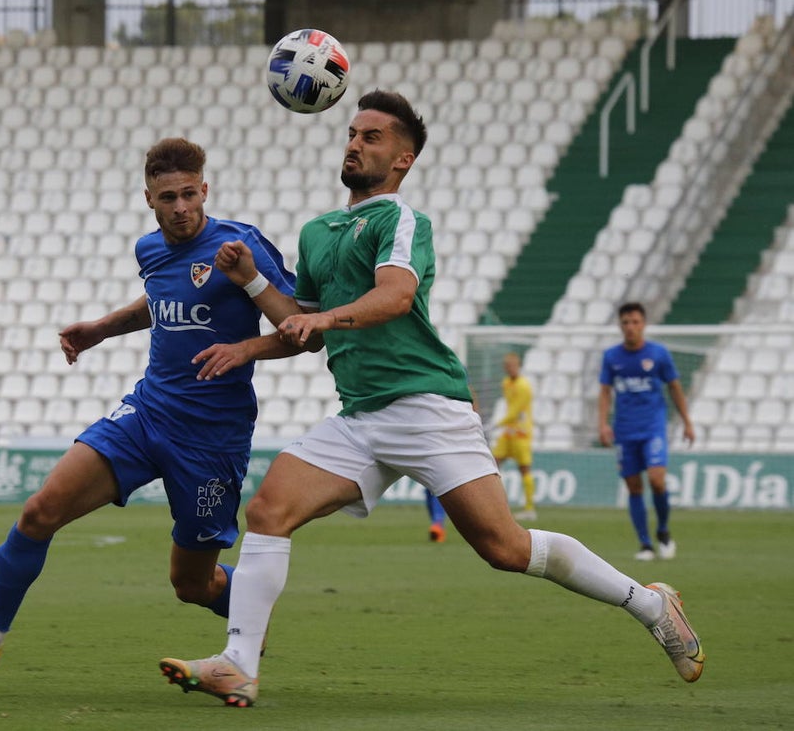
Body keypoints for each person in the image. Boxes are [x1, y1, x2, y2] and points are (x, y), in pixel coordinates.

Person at [157, 90, 704, 708]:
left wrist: (323, 321)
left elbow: (391, 298)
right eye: (352, 133)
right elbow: (302, 328)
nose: (355, 144)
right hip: (361, 416)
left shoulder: (401, 220)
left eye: (372, 137)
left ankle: (653, 605)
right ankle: (238, 664)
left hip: (426, 407)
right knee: (269, 512)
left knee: (505, 548)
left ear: (403, 159)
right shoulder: (316, 232)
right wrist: (252, 282)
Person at [0, 138, 295, 675]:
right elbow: (160, 301)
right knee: (39, 510)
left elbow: (301, 332)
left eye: (190, 194)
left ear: (205, 190)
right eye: (169, 197)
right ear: (149, 199)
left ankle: (247, 622)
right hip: (146, 414)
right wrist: (100, 329)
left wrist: (245, 343)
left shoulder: (242, 244)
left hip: (212, 438)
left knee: (191, 584)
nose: (181, 207)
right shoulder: (149, 250)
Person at [598, 302, 695, 561]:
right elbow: (605, 392)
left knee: (656, 479)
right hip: (625, 430)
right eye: (626, 323)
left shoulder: (659, 354)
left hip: (653, 428)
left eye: (635, 322)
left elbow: (675, 387)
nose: (630, 327)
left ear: (644, 324)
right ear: (620, 326)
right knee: (633, 487)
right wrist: (603, 423)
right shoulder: (611, 357)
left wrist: (687, 421)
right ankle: (645, 544)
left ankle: (663, 530)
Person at [491, 351, 538, 521]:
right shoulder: (506, 383)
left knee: (524, 469)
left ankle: (529, 508)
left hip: (521, 432)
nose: (509, 369)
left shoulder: (524, 386)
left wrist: (498, 423)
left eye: (512, 365)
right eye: (507, 366)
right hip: (508, 432)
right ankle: (493, 505)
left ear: (518, 366)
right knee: (492, 465)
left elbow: (516, 410)